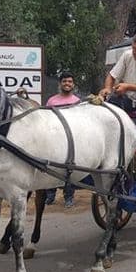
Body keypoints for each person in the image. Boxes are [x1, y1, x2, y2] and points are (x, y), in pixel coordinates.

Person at [45, 71, 80, 207]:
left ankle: (69, 198)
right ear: (60, 84)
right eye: (64, 81)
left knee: (69, 169)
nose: (67, 84)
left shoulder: (77, 102)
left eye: (70, 81)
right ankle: (50, 196)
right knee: (50, 167)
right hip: (54, 140)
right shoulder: (52, 101)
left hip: (72, 141)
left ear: (73, 84)